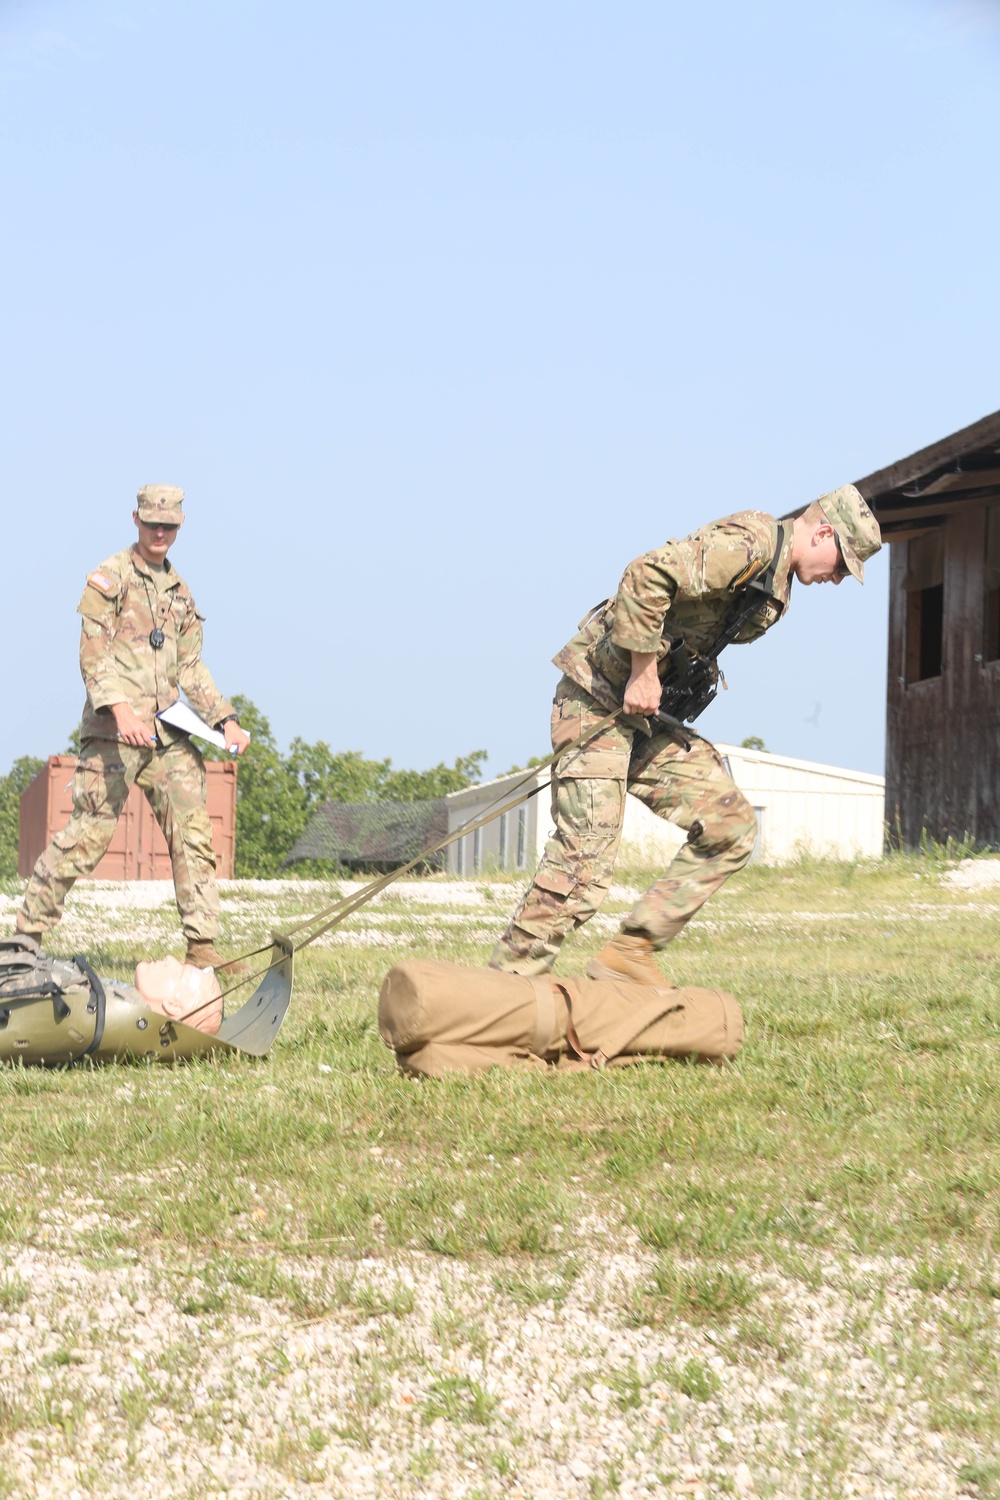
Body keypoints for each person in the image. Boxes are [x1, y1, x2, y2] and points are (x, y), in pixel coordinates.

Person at [490, 484, 882, 984]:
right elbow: (647, 572)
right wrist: (642, 671)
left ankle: (628, 956)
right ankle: (508, 987)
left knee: (731, 827)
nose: (839, 579)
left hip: (646, 718)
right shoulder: (752, 545)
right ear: (824, 531)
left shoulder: (776, 578)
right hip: (597, 702)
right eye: (843, 564)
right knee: (584, 858)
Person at [15, 485, 251, 971]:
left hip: (168, 736)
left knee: (194, 835)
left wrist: (224, 719)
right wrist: (121, 713)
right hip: (112, 734)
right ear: (136, 520)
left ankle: (202, 947)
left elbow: (191, 667)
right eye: (152, 524)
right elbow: (93, 655)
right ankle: (24, 938)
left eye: (169, 526)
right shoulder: (110, 578)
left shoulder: (180, 592)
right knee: (86, 837)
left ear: (180, 527)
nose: (160, 533)